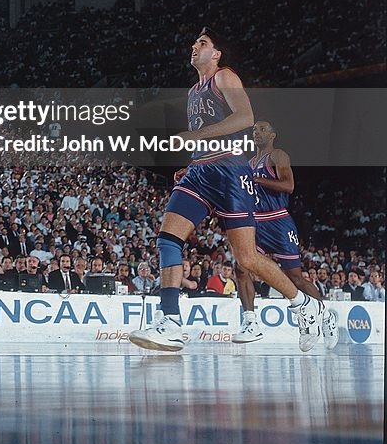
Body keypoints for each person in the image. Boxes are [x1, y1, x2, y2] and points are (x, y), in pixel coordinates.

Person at [130, 28, 325, 353]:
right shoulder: (194, 91)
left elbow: (246, 117)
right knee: (167, 238)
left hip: (230, 172)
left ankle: (303, 303)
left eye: (202, 43)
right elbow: (206, 139)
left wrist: (197, 137)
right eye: (194, 43)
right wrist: (193, 160)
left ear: (216, 53)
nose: (195, 47)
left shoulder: (224, 77)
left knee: (247, 257)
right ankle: (171, 322)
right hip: (201, 172)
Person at [232, 121, 338, 346]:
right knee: (240, 267)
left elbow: (289, 185)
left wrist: (257, 179)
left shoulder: (278, 155)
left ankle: (325, 316)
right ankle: (250, 322)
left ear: (272, 135)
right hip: (256, 222)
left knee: (295, 278)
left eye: (261, 129)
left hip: (278, 220)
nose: (256, 133)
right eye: (254, 130)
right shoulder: (249, 163)